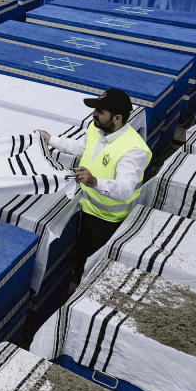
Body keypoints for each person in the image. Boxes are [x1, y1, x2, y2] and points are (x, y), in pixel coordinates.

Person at [37, 89, 151, 286]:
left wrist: (94, 182)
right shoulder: (96, 128)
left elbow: (125, 189)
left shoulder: (134, 150)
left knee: (92, 263)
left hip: (106, 220)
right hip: (85, 205)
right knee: (80, 253)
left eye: (100, 111)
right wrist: (51, 139)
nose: (93, 114)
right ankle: (75, 278)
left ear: (117, 118)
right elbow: (82, 148)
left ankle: (80, 289)